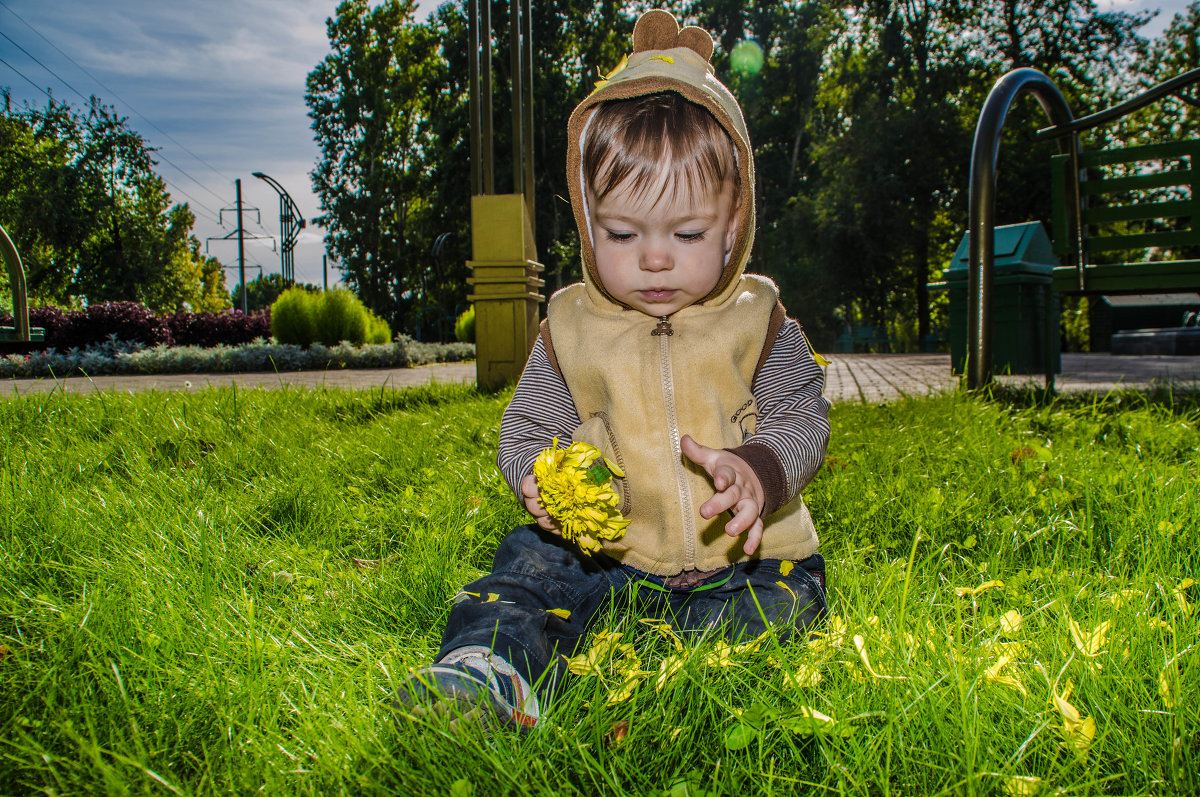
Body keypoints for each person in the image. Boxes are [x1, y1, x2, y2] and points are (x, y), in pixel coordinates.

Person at [396, 8, 830, 733]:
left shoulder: (761, 321)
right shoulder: (571, 329)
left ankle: (697, 659)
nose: (654, 257)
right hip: (606, 552)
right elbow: (527, 426)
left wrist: (760, 468)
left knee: (775, 606)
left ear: (732, 226)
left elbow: (802, 415)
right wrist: (537, 476)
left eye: (686, 233)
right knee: (525, 567)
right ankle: (490, 668)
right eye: (624, 233)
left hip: (750, 557)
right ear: (591, 225)